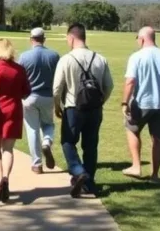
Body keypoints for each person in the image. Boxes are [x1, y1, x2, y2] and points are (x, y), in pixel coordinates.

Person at [53, 23, 114, 198]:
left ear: (71, 38)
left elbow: (56, 88)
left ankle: (78, 171)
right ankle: (89, 183)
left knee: (68, 142)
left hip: (73, 107)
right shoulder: (100, 59)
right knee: (91, 146)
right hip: (95, 109)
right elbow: (109, 85)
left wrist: (57, 106)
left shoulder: (66, 59)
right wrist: (101, 101)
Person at [121, 26, 160, 182]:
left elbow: (130, 81)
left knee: (132, 130)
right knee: (158, 138)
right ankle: (155, 175)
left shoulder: (136, 57)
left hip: (141, 103)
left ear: (142, 39)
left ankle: (136, 166)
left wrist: (124, 102)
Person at [0, 38, 30, 202]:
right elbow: (26, 91)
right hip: (14, 110)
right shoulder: (19, 69)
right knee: (8, 149)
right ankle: (6, 178)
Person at [18, 27, 61, 174]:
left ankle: (36, 164)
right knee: (48, 124)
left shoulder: (24, 57)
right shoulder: (54, 56)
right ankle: (47, 142)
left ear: (31, 39)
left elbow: (19, 78)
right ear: (44, 39)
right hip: (48, 97)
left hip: (29, 97)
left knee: (32, 129)